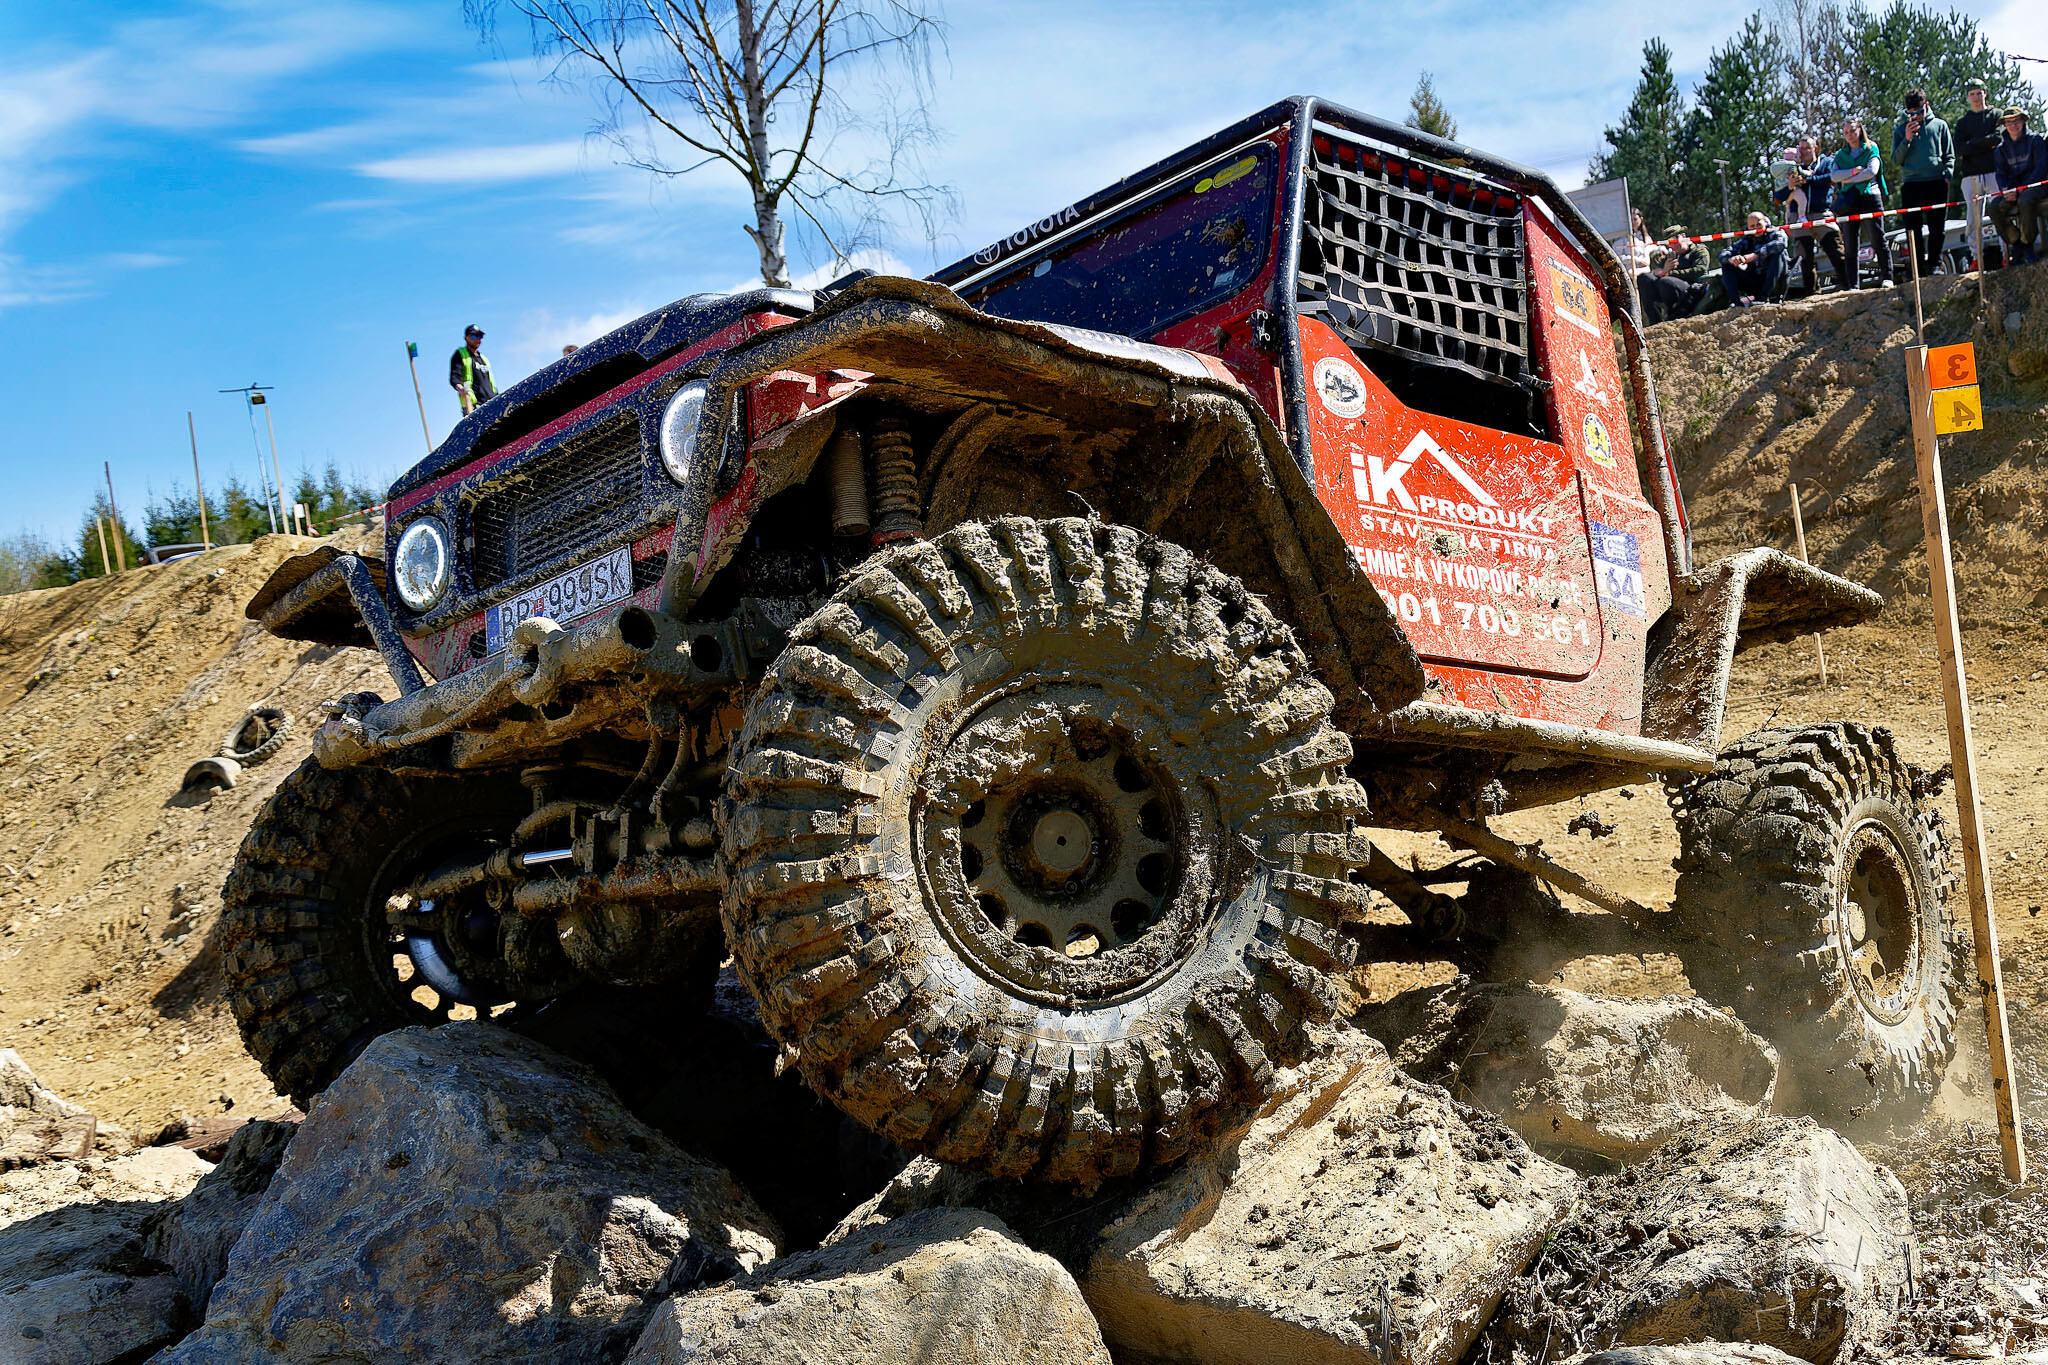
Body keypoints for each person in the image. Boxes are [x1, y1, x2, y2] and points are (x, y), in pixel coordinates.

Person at [1771, 138, 1849, 293]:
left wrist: (1808, 180)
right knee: (1804, 259)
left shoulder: (1826, 163)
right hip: (1799, 217)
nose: (1804, 152)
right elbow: (1778, 198)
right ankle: (1812, 293)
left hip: (1822, 213)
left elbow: (1831, 178)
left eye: (1807, 148)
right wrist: (1790, 186)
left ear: (1816, 148)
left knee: (1836, 251)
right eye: (1801, 148)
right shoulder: (1791, 167)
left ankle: (1850, 286)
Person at [1892, 89, 1955, 278]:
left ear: (1926, 106)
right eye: (1911, 113)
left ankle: (1935, 265)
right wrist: (1907, 139)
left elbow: (1950, 155)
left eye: (1919, 111)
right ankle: (1917, 268)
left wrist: (1947, 175)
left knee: (1937, 228)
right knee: (1913, 229)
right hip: (1912, 184)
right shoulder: (1900, 130)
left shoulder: (1940, 125)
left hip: (1936, 182)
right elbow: (1895, 160)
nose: (1916, 116)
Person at [1829, 118, 1890, 288]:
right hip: (1849, 200)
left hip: (1870, 196)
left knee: (1877, 238)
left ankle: (1887, 277)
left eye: (1852, 131)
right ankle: (1853, 285)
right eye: (1846, 132)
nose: (1850, 135)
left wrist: (1848, 179)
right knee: (1850, 244)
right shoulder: (1841, 155)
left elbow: (1871, 171)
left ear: (1860, 130)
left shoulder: (1871, 148)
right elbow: (1834, 176)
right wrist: (1854, 171)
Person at [1990, 107, 2048, 267]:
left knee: (2025, 200)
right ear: (2004, 125)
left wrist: (2024, 187)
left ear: (2023, 121)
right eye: (2009, 122)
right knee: (1994, 207)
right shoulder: (2001, 149)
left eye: (2016, 121)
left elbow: (2041, 169)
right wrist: (2006, 189)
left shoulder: (2036, 140)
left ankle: (2027, 243)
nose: (2013, 125)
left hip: (2036, 186)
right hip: (2013, 190)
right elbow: (2001, 173)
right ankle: (2016, 242)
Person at [1955, 81, 2002, 270]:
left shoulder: (1995, 115)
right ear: (1968, 97)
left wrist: (1972, 144)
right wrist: (1984, 143)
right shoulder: (1963, 122)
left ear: (1985, 94)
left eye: (1979, 93)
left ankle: (2007, 253)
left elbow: (1997, 138)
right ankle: (1976, 258)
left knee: (2001, 211)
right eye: (1972, 94)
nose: (1976, 97)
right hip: (1971, 176)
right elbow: (1959, 149)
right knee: (1973, 220)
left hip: (1994, 171)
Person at [1718, 212, 1788, 306]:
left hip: (1776, 282)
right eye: (1752, 226)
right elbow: (1723, 254)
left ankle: (1764, 297)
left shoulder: (1775, 232)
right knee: (1726, 264)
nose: (1756, 228)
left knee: (1778, 254)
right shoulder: (1746, 239)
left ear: (1765, 222)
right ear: (1748, 227)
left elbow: (1781, 243)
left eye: (1759, 224)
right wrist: (1732, 258)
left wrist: (1755, 255)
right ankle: (1736, 302)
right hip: (1755, 282)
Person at [1641, 246, 1707, 322]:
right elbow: (1657, 271)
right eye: (1670, 243)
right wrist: (1664, 270)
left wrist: (1671, 273)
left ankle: (1675, 316)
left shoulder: (1698, 251)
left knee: (1665, 281)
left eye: (1675, 241)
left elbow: (1701, 270)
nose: (1673, 245)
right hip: (1666, 286)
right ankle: (1654, 320)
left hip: (1690, 288)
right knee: (1644, 278)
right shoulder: (1671, 254)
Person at [450, 325, 496, 415]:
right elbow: (455, 377)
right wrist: (461, 388)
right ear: (466, 338)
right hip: (473, 405)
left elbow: (491, 383)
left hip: (491, 402)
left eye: (480, 336)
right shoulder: (461, 354)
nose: (477, 339)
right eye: (474, 336)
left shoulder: (484, 359)